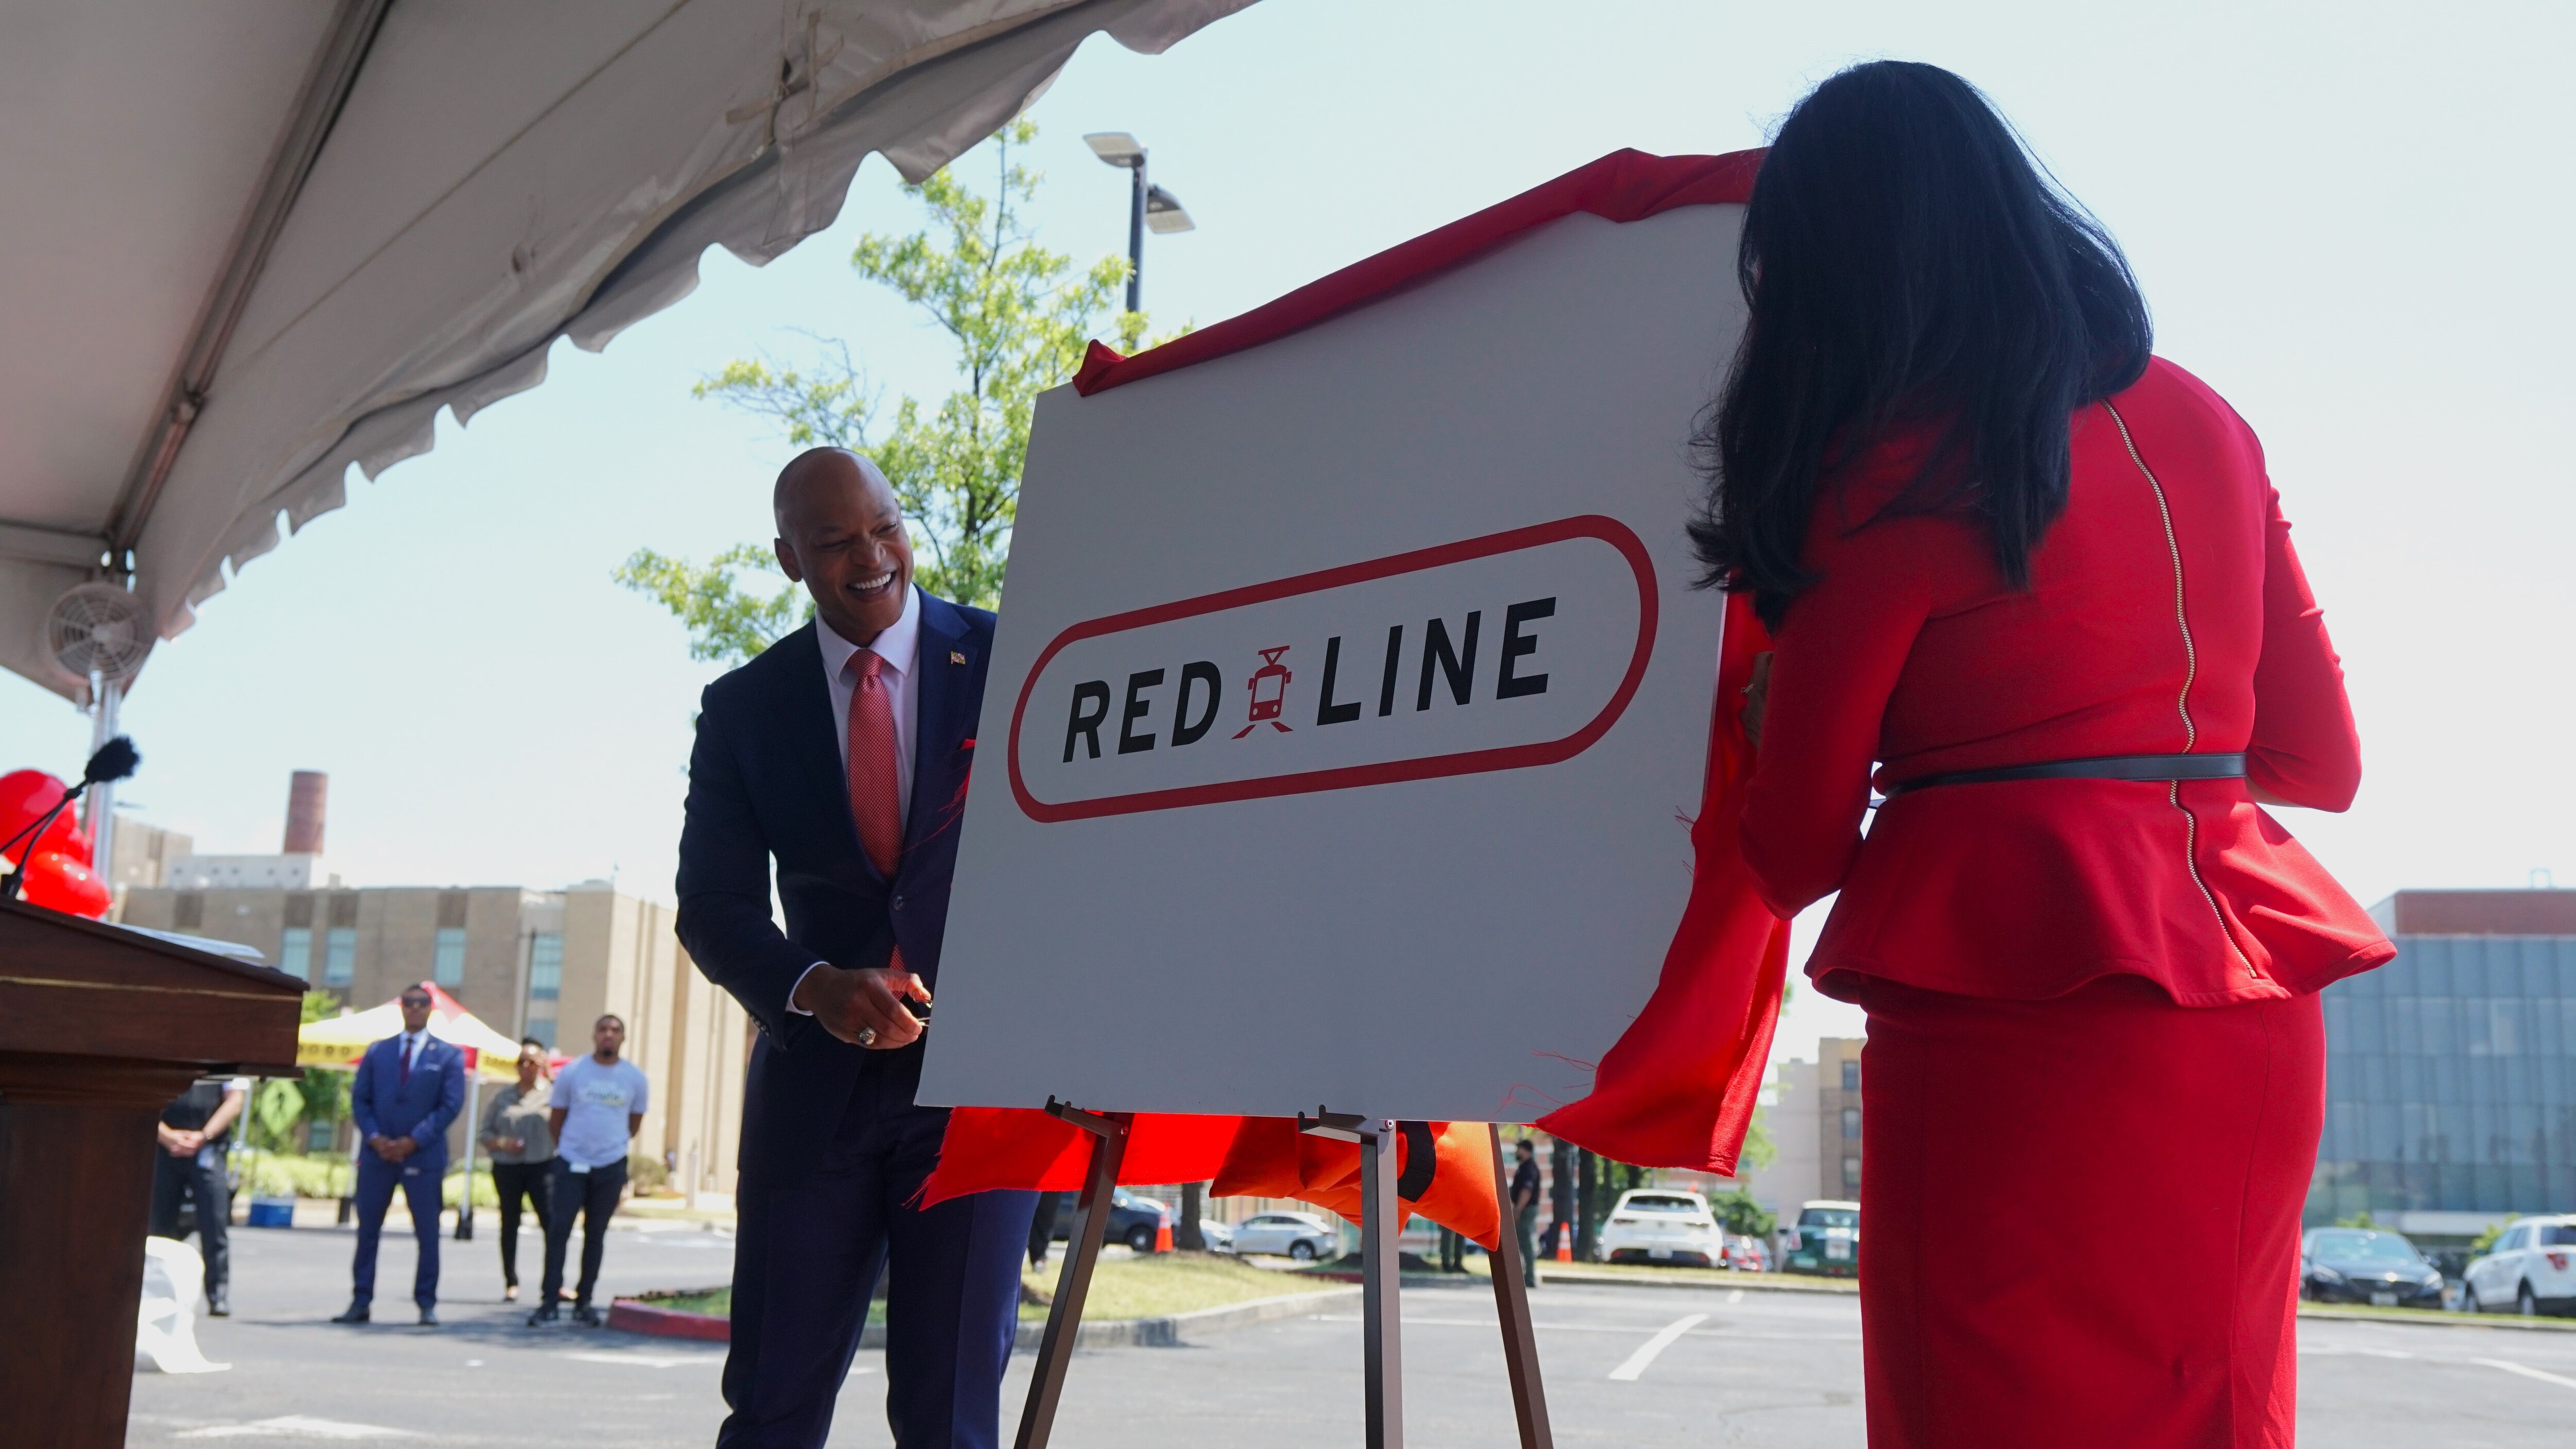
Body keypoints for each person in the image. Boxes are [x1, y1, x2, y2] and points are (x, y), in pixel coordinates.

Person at [1695, 62, 2392, 1448]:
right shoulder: (2206, 415)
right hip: (2246, 997)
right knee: (2218, 1410)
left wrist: (1766, 718)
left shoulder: (1889, 466)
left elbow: (1795, 851)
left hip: (2016, 1012)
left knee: (1985, 1412)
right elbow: (2318, 760)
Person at [679, 447, 1038, 1448]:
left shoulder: (1018, 662)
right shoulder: (746, 707)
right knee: (773, 1407)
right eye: (835, 540)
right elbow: (709, 903)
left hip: (976, 1096)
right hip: (814, 1100)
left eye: (884, 524)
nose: (870, 554)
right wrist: (811, 984)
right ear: (790, 559)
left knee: (953, 1419)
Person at [335, 985, 467, 1326]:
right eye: (409, 1003)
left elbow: (450, 1106)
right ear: (401, 1007)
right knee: (368, 1232)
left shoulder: (449, 1056)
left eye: (421, 1004)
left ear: (431, 1009)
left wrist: (414, 1139)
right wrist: (376, 1137)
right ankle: (360, 1300)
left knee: (427, 1233)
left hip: (422, 1157)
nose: (415, 1009)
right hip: (379, 1155)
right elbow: (360, 1100)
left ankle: (426, 1303)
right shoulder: (379, 1051)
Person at [530, 1014, 648, 1326]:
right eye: (603, 1030)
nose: (608, 1035)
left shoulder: (635, 1078)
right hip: (571, 1162)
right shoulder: (574, 1072)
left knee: (595, 1236)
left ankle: (584, 1302)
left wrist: (609, 1148)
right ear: (594, 1035)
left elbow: (633, 1124)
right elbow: (556, 1118)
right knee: (559, 1233)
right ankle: (549, 1302)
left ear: (623, 1038)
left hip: (610, 1166)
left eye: (615, 1031)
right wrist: (571, 1149)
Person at [150, 1075, 248, 1316]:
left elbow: (235, 1100)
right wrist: (167, 1136)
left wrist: (203, 1136)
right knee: (158, 1226)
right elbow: (145, 1097)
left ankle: (218, 1295)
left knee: (215, 1223)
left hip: (208, 1148)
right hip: (166, 1147)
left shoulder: (228, 1051)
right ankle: (154, 1291)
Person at [479, 1037, 557, 1302]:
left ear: (541, 1065)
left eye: (532, 1062)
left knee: (551, 1224)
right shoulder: (503, 1097)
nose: (526, 1067)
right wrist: (502, 1143)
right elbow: (485, 1132)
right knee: (510, 1223)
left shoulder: (552, 1094)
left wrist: (552, 1075)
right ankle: (511, 1281)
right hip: (508, 1167)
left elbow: (570, 1118)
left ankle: (553, 1283)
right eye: (522, 1062)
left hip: (543, 1165)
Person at [1509, 1139, 1541, 1288]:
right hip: (1524, 1208)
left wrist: (1518, 1210)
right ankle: (1523, 1275)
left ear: (1526, 1151)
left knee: (1526, 1242)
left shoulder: (1529, 1168)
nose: (1517, 1152)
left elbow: (1526, 1191)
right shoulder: (1525, 1167)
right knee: (1522, 1242)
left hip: (1526, 1209)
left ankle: (1529, 1277)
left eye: (1519, 1149)